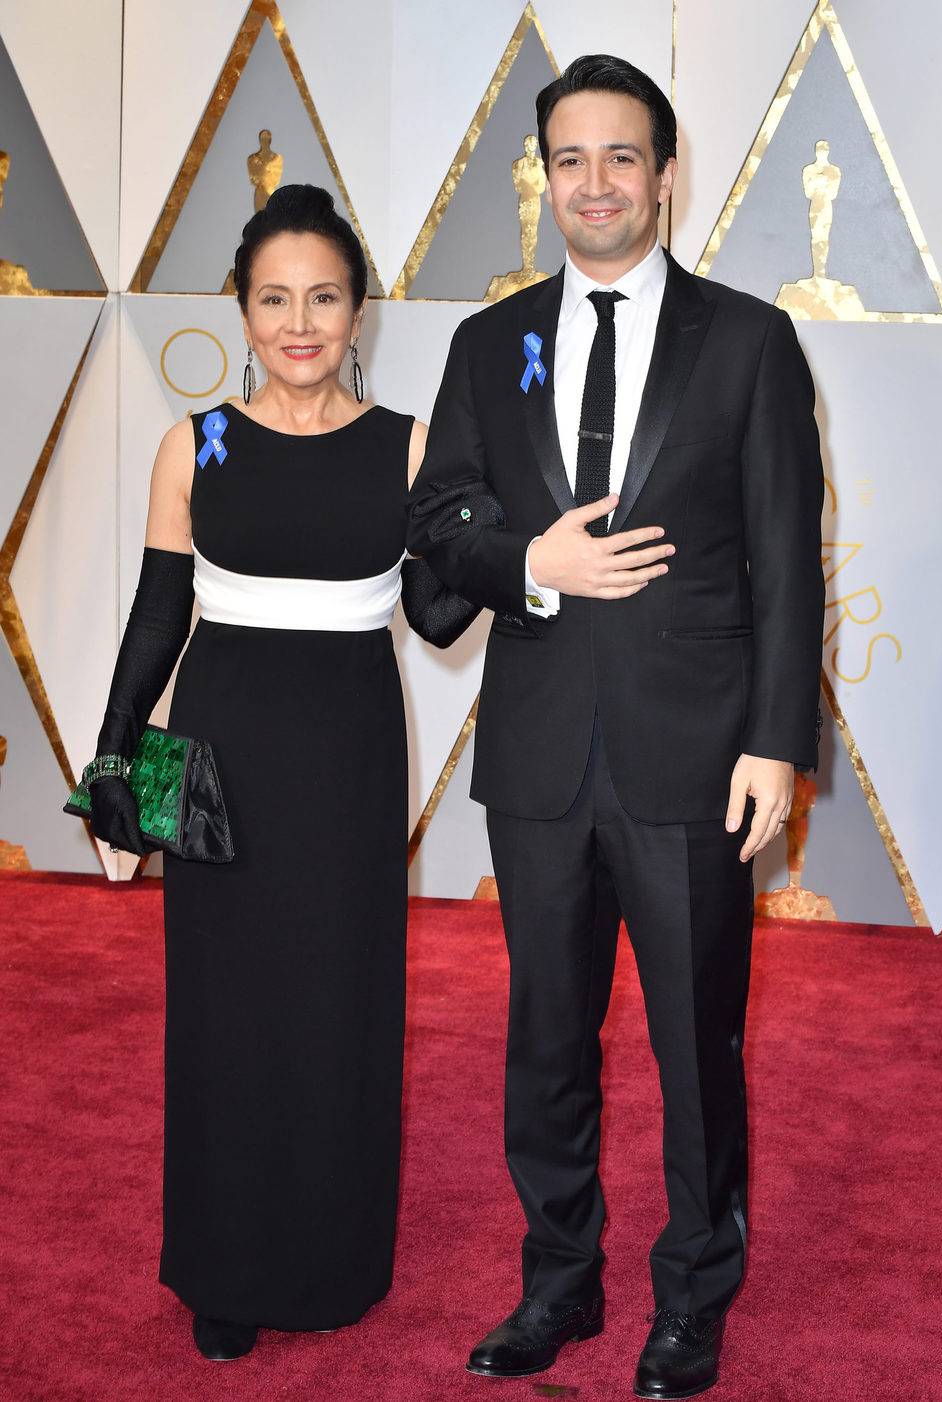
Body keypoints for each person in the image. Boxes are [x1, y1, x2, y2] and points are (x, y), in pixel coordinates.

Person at [408, 55, 824, 1400]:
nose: (596, 184)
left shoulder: (752, 340)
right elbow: (437, 538)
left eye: (622, 157)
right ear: (544, 178)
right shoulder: (488, 342)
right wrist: (535, 561)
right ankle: (559, 1281)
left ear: (664, 171)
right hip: (536, 755)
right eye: (569, 160)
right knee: (545, 1039)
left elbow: (784, 557)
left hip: (696, 756)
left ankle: (695, 1291)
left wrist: (777, 740)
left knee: (698, 1042)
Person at [84, 184, 479, 1362]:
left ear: (359, 309)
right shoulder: (194, 441)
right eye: (273, 299)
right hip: (216, 746)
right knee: (221, 1007)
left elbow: (436, 617)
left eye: (323, 296)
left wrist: (500, 548)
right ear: (242, 311)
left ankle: (331, 1258)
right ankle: (223, 1265)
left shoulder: (408, 444)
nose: (298, 322)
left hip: (349, 752)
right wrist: (116, 773)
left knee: (342, 999)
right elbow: (159, 622)